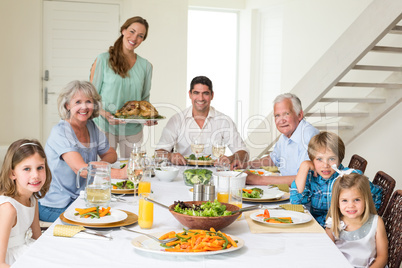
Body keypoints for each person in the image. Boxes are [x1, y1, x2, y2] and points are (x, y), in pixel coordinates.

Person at [38, 81, 127, 222]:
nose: (84, 107)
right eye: (78, 102)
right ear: (67, 105)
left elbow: (111, 154)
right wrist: (121, 173)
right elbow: (81, 170)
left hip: (82, 199)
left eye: (88, 101)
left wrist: (99, 165)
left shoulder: (91, 126)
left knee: (121, 214)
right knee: (103, 221)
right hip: (55, 205)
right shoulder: (60, 132)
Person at [90, 16, 156, 158]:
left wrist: (147, 117)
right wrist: (104, 114)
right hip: (105, 126)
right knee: (107, 172)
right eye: (131, 31)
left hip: (133, 128)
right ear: (123, 30)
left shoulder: (146, 66)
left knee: (132, 171)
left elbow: (144, 99)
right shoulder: (103, 60)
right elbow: (90, 97)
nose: (134, 38)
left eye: (140, 36)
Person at [290, 131, 382, 227]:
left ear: (340, 159)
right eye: (319, 159)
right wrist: (304, 166)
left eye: (332, 159)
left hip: (342, 229)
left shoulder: (349, 177)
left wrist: (359, 220)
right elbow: (296, 203)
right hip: (317, 227)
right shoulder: (309, 176)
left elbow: (376, 195)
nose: (325, 165)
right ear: (312, 160)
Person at [155, 76, 249, 166]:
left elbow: (244, 153)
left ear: (212, 95)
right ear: (190, 94)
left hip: (215, 174)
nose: (201, 98)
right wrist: (170, 156)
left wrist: (230, 159)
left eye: (205, 93)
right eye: (196, 93)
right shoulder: (176, 120)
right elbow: (158, 152)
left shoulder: (224, 121)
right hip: (182, 174)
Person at [233, 93, 319, 186]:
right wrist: (245, 165)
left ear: (299, 115)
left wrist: (258, 180)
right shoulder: (286, 135)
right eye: (277, 115)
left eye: (286, 114)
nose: (281, 121)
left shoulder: (308, 136)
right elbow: (273, 159)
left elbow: (305, 178)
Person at [0, 139, 51, 267]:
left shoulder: (32, 198)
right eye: (27, 169)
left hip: (26, 249)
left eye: (40, 167)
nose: (36, 175)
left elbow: (36, 237)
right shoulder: (9, 209)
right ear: (12, 174)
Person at [325, 173, 388, 268]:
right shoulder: (332, 224)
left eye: (357, 200)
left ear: (365, 200)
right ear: (337, 203)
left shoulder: (376, 222)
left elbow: (382, 257)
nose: (351, 205)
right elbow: (327, 254)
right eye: (344, 200)